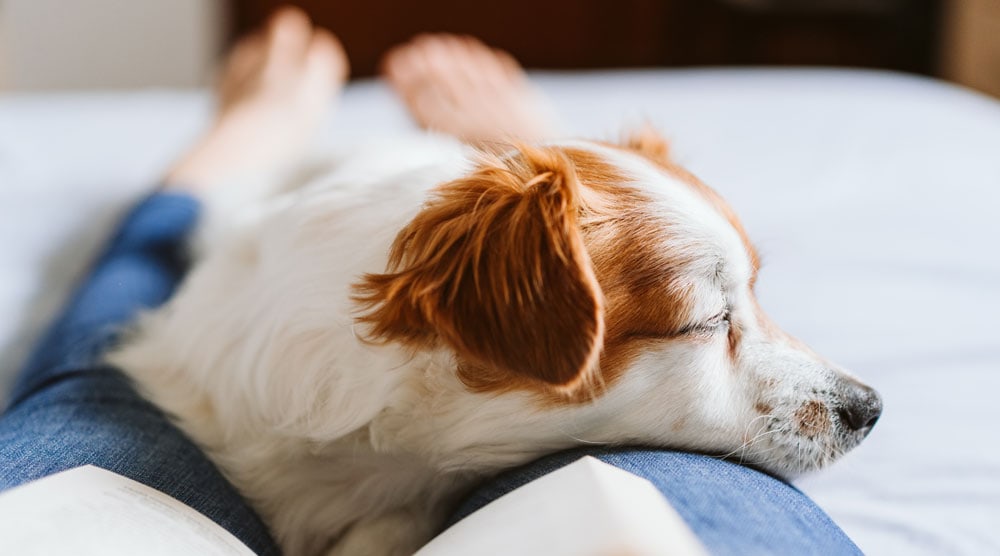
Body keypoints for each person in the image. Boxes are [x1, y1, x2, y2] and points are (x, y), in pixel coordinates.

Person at [0, 8, 860, 555]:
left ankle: (535, 155)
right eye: (712, 319)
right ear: (508, 322)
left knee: (87, 391)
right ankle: (221, 173)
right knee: (152, 281)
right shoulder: (493, 311)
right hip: (285, 269)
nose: (817, 370)